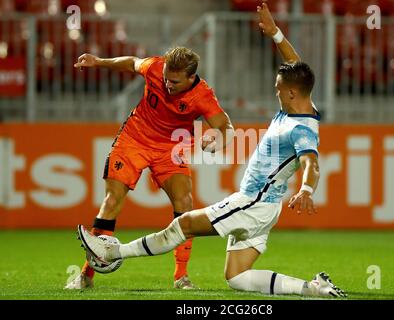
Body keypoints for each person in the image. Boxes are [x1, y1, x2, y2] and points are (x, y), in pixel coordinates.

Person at [76, 2, 347, 298]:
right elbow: (296, 69)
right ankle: (313, 288)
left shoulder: (301, 129)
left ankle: (113, 253)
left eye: (278, 87)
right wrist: (276, 34)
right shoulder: (302, 106)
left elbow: (312, 163)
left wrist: (307, 189)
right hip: (266, 210)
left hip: (254, 202)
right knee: (237, 277)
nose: (275, 89)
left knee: (184, 224)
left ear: (292, 92)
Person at [65, 46, 234, 290]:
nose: (167, 84)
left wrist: (217, 141)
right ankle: (85, 275)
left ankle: (181, 276)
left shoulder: (203, 96)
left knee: (185, 204)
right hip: (134, 138)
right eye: (166, 78)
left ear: (190, 78)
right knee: (112, 201)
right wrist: (99, 61)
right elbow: (131, 62)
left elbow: (225, 126)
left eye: (174, 81)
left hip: (170, 149)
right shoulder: (155, 66)